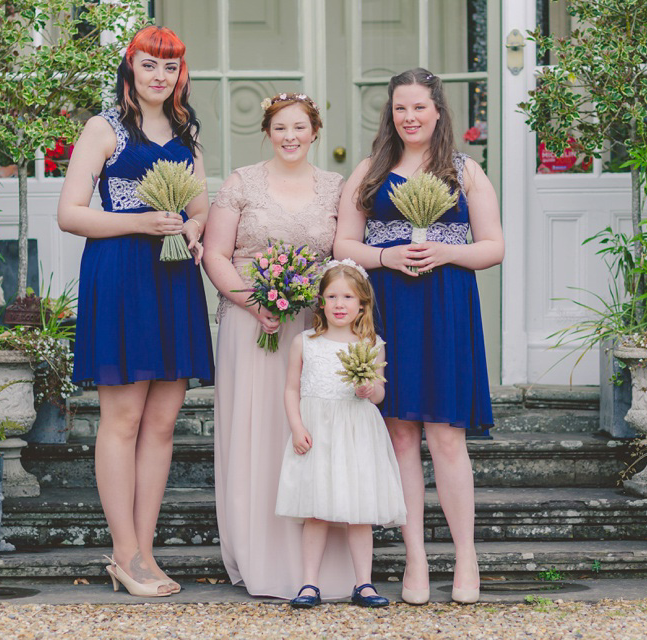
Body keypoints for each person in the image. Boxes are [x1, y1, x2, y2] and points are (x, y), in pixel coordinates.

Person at [333, 68, 504, 605]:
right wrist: (385, 256)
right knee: (400, 435)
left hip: (446, 308)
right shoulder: (370, 170)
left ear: (438, 112)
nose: (410, 117)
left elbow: (493, 247)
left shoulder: (465, 172)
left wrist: (448, 252)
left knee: (446, 437)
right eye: (401, 108)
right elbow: (342, 242)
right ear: (391, 113)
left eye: (420, 108)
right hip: (389, 309)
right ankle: (415, 561)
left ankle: (467, 558)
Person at [57, 26, 214, 597]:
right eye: (149, 65)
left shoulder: (186, 138)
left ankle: (144, 552)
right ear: (131, 68)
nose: (159, 76)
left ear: (180, 75)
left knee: (163, 423)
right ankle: (123, 553)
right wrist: (142, 222)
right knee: (122, 419)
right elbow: (70, 214)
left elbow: (201, 209)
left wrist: (193, 228)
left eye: (169, 67)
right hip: (122, 275)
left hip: (173, 278)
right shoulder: (104, 129)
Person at [203, 92, 356, 599]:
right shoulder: (241, 183)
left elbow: (343, 259)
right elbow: (217, 256)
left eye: (300, 127)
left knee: (310, 435)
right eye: (280, 128)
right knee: (255, 433)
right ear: (267, 132)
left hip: (313, 330)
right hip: (252, 326)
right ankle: (259, 556)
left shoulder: (336, 187)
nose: (290, 136)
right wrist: (254, 302)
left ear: (315, 132)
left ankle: (316, 565)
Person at [275, 261, 406, 609]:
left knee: (359, 510)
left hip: (356, 433)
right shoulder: (306, 342)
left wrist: (368, 390)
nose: (339, 303)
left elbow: (379, 391)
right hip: (317, 432)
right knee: (315, 510)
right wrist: (297, 426)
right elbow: (290, 390)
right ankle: (309, 584)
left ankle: (363, 583)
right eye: (332, 296)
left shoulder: (371, 342)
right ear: (320, 301)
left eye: (348, 296)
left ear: (362, 303)